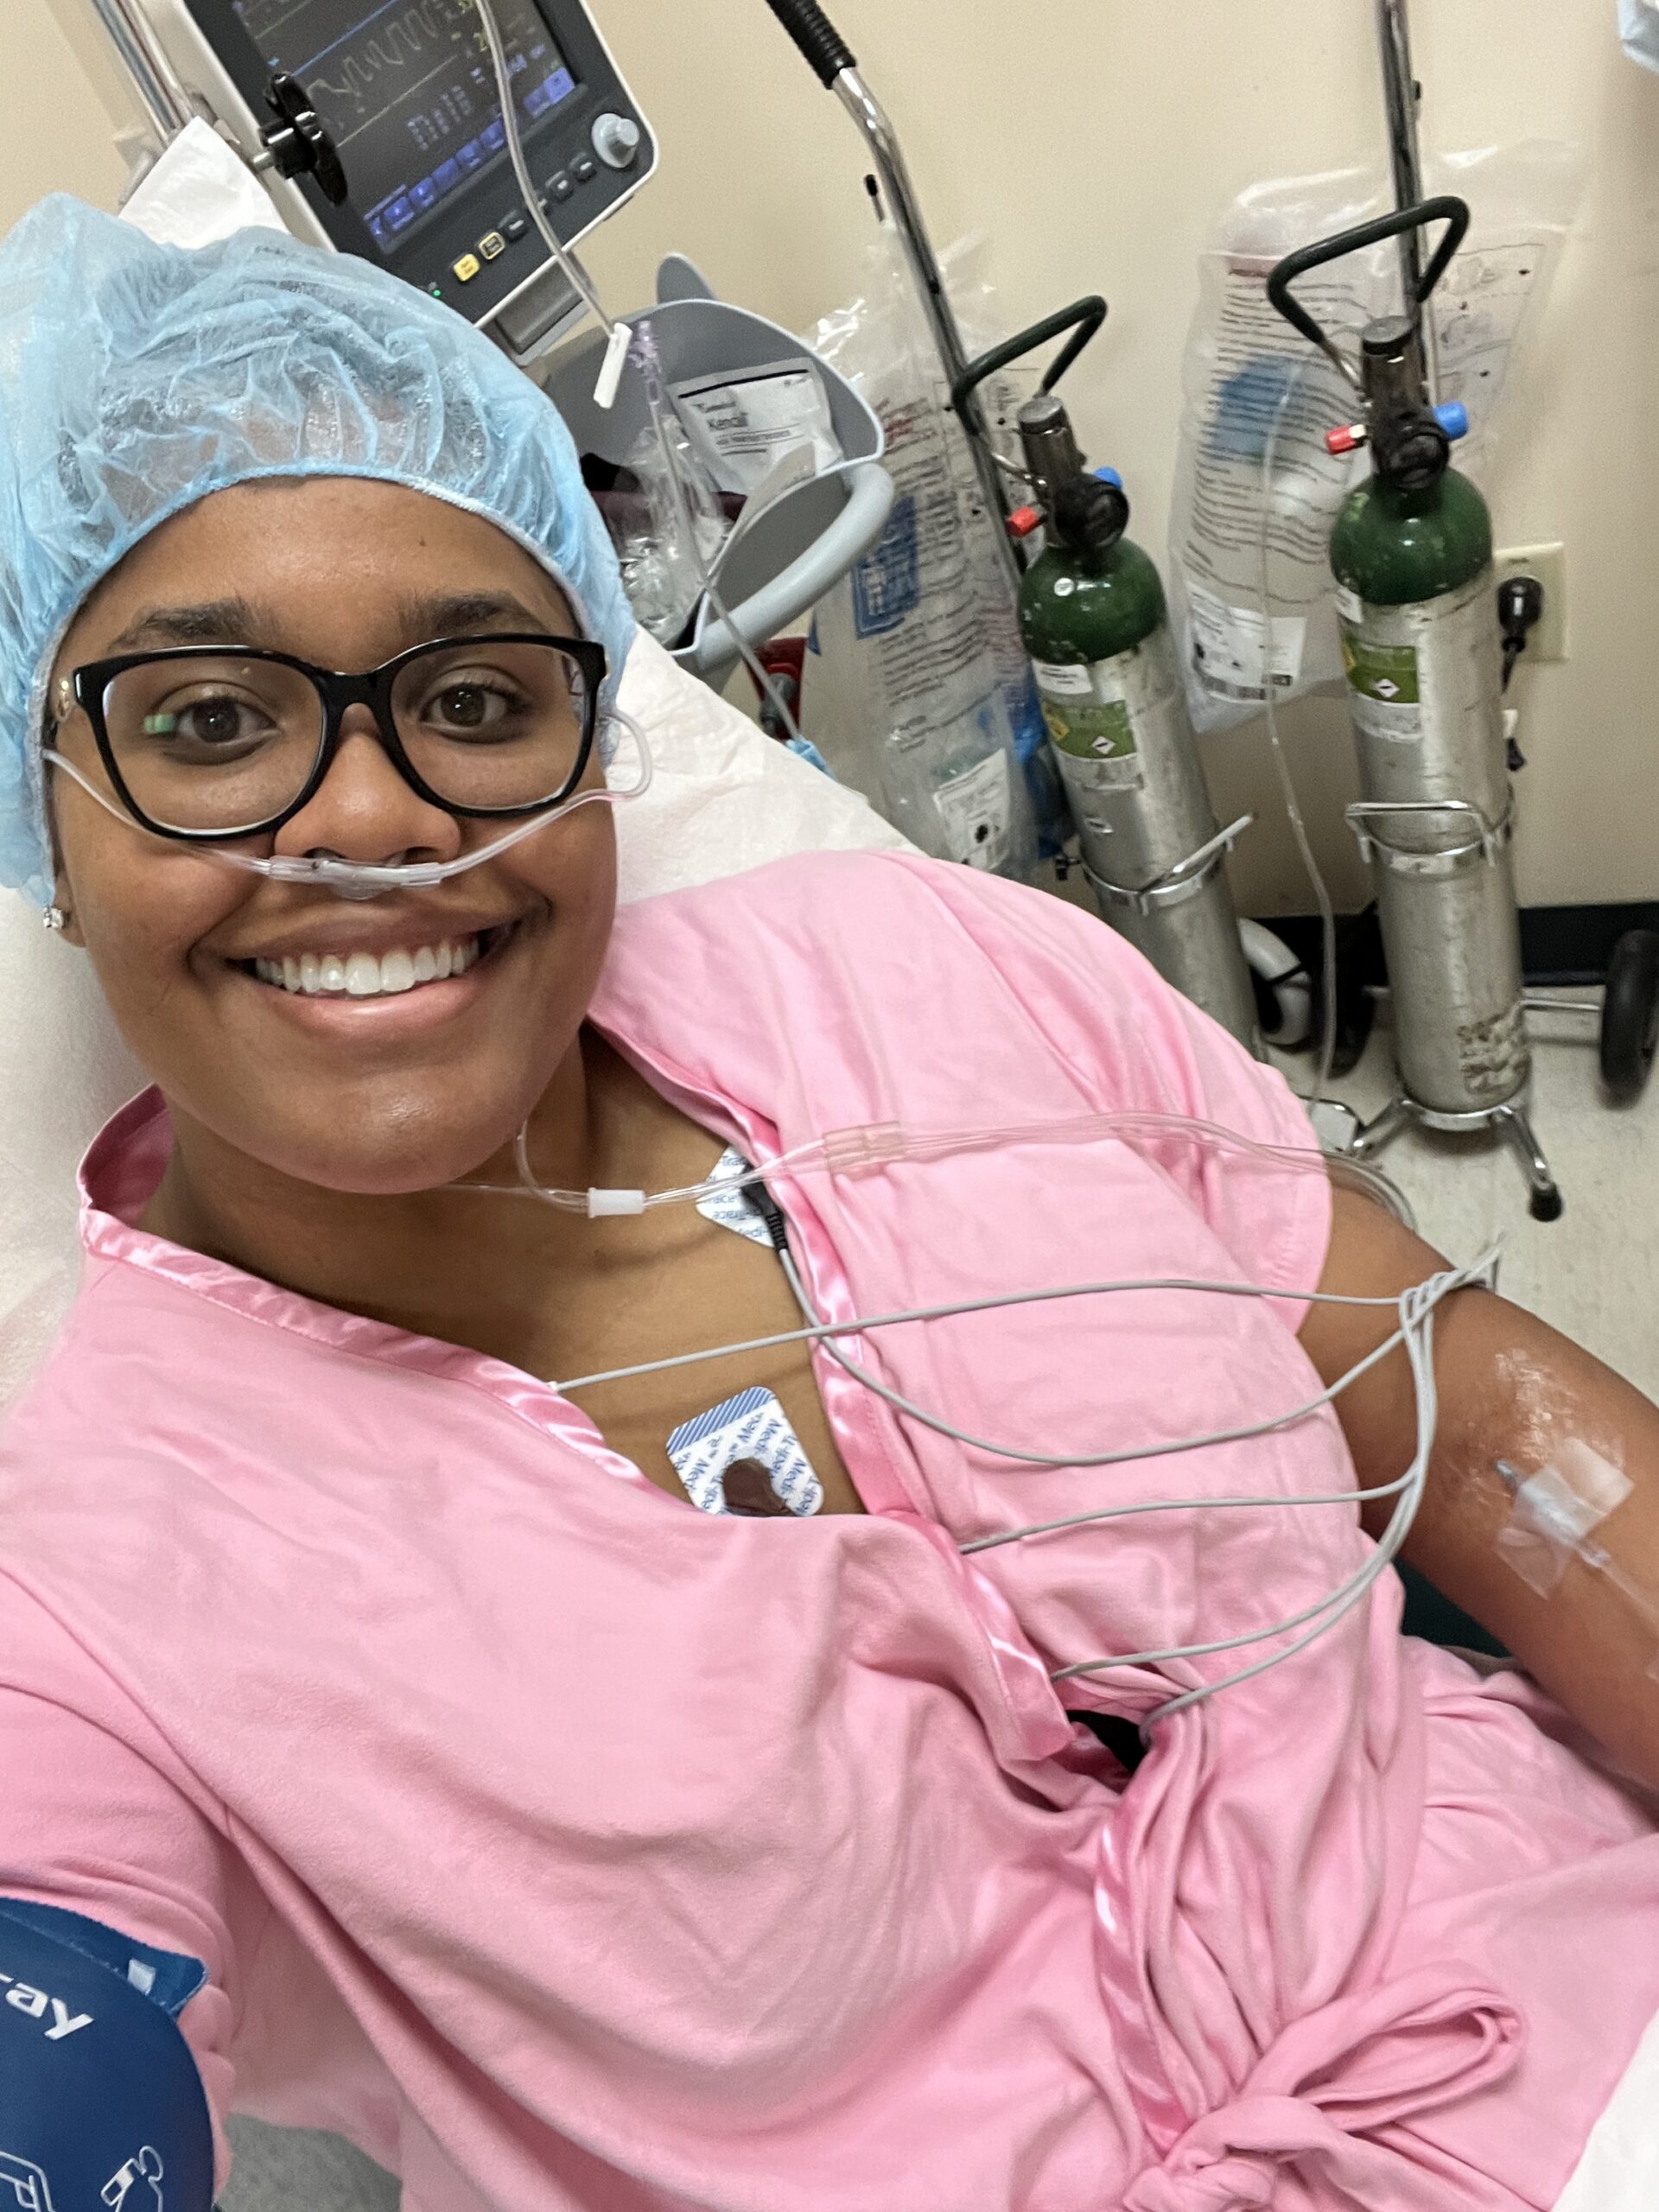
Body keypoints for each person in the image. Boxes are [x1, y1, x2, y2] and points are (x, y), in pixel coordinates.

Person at [0, 194, 1655, 2212]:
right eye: (206, 724)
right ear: (47, 832)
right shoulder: (83, 1594)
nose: (372, 813)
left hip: (1556, 1974)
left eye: (478, 697)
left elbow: (1481, 1426)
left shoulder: (923, 965)